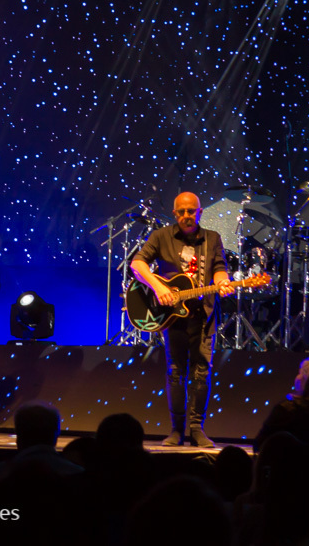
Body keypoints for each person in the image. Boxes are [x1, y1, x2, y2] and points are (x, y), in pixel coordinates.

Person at [130, 192, 233, 448]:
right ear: (175, 214)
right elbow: (137, 264)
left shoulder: (212, 238)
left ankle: (197, 429)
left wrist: (222, 282)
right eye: (182, 211)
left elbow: (219, 267)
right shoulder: (160, 236)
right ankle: (176, 430)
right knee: (176, 372)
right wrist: (157, 287)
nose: (187, 216)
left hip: (203, 315)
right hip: (173, 317)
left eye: (192, 211)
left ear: (199, 212)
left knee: (201, 373)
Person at [253, 357, 309, 461]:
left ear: (306, 380)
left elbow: (261, 444)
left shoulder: (286, 411)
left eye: (300, 372)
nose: (296, 377)